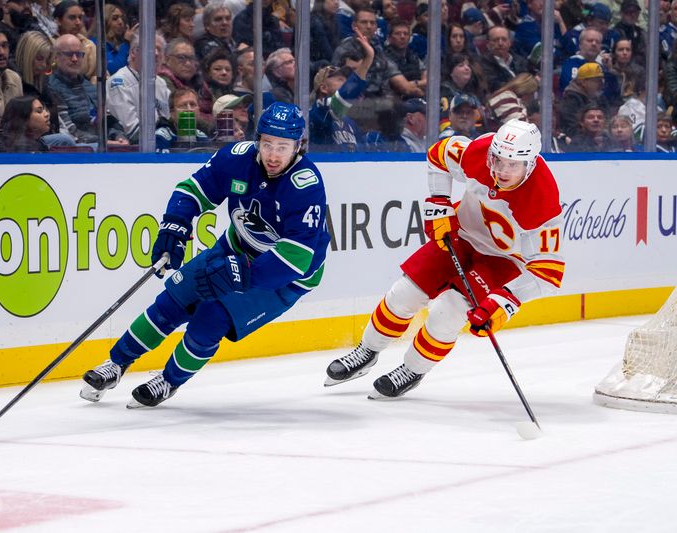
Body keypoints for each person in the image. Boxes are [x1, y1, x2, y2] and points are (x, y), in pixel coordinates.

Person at [79, 102, 330, 408]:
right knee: (172, 302)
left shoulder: (306, 185)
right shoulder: (236, 159)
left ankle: (168, 381)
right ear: (257, 139)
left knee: (210, 319)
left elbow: (297, 257)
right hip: (236, 248)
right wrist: (176, 223)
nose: (273, 155)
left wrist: (244, 274)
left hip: (286, 276)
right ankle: (116, 364)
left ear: (298, 146)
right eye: (267, 144)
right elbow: (193, 190)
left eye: (282, 146)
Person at [324, 119, 564, 399]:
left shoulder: (542, 199)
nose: (501, 170)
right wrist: (440, 201)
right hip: (461, 235)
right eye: (498, 160)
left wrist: (503, 302)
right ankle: (367, 350)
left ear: (531, 163)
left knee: (447, 312)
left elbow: (548, 273)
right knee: (404, 293)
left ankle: (412, 370)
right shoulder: (479, 152)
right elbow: (438, 155)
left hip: (503, 261)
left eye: (513, 164)